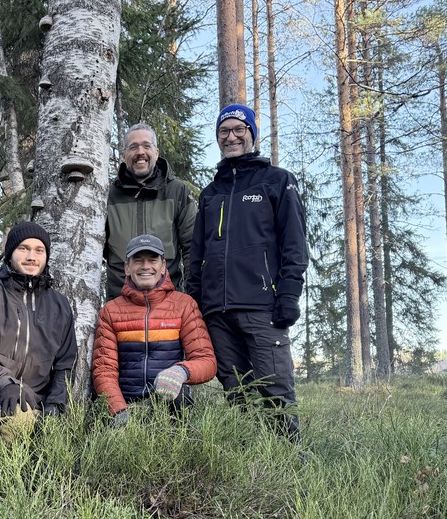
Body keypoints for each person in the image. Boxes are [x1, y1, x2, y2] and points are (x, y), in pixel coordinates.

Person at [187, 104, 308, 441]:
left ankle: (288, 459)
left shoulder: (277, 181)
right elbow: (197, 255)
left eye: (239, 129)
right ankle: (253, 463)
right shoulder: (211, 194)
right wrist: (195, 306)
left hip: (262, 307)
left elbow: (295, 244)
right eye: (224, 131)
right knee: (237, 393)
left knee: (275, 390)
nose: (231, 136)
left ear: (253, 134)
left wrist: (288, 295)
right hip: (217, 312)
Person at [0, 221, 78, 433]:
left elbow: (65, 364)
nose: (31, 256)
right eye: (23, 248)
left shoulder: (60, 305)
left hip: (37, 398)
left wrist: (55, 405)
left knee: (59, 434)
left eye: (39, 250)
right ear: (10, 253)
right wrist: (5, 382)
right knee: (17, 420)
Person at [93, 234, 216, 424]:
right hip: (127, 405)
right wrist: (118, 411)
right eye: (138, 261)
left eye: (152, 260)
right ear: (127, 267)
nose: (145, 267)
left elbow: (206, 361)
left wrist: (181, 371)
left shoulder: (184, 305)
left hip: (169, 402)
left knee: (180, 396)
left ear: (163, 266)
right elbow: (104, 370)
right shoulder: (110, 311)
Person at [104, 123, 196, 301]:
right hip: (120, 303)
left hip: (169, 303)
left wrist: (192, 298)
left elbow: (192, 247)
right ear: (123, 155)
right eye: (133, 147)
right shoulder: (107, 195)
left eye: (146, 145)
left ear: (156, 152)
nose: (140, 152)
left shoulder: (177, 192)